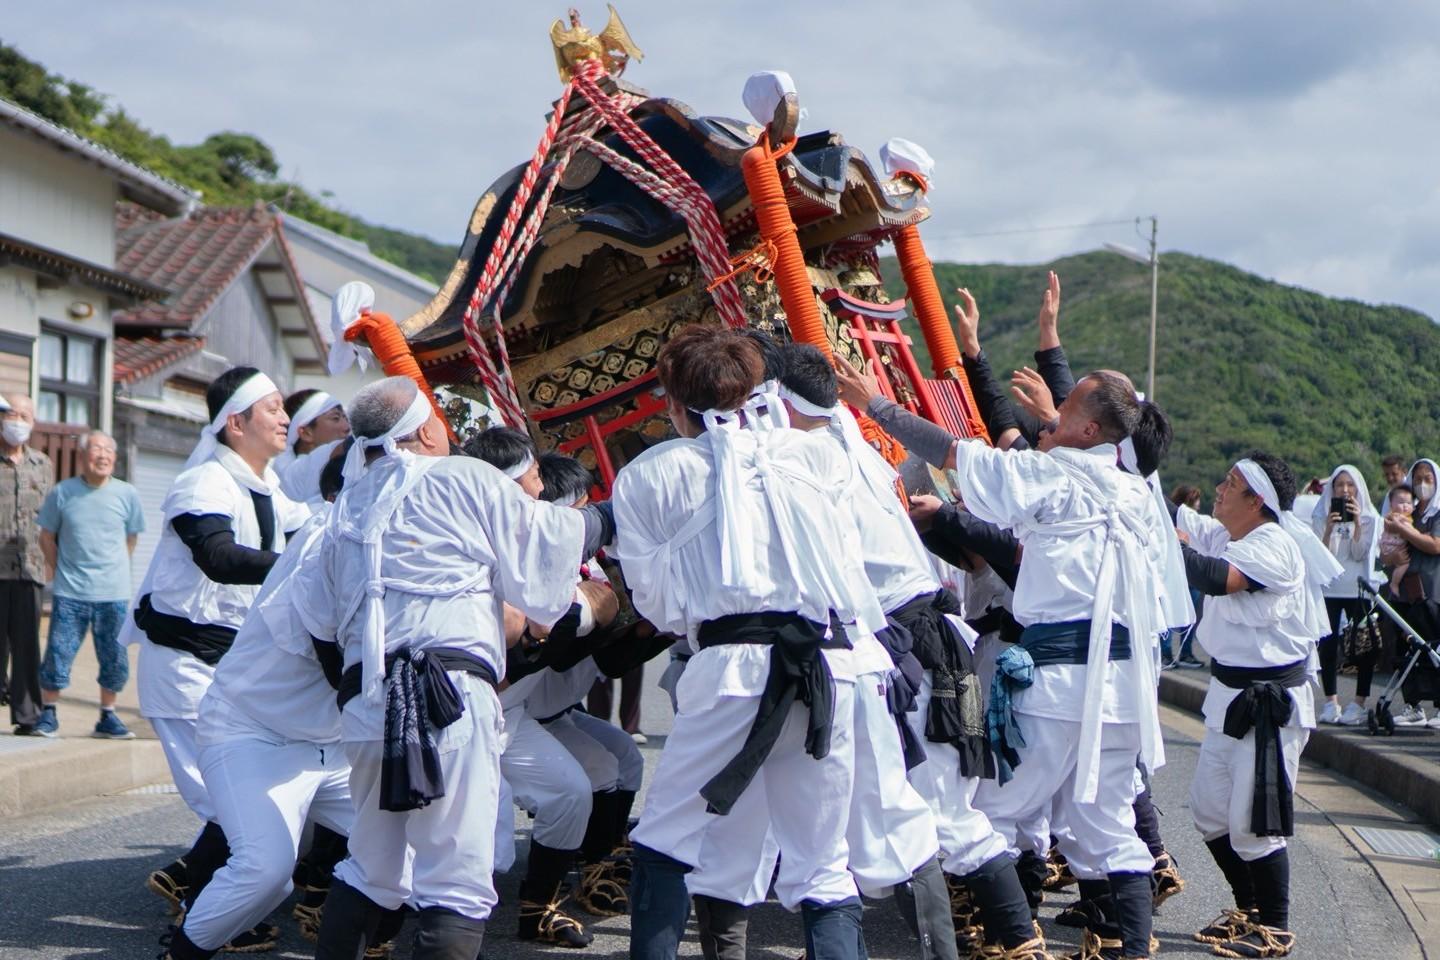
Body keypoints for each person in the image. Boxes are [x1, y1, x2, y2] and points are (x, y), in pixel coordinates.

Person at [850, 359, 1172, 960]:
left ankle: (1011, 943)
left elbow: (954, 454)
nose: (1055, 408)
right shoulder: (1134, 492)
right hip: (1127, 687)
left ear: (1089, 431)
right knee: (1107, 823)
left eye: (1068, 404)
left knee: (993, 811)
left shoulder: (1055, 478)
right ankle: (1133, 950)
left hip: (1061, 680)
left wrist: (878, 406)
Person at [301, 379, 604, 960]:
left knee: (370, 867)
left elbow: (320, 620)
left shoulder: (348, 503)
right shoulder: (464, 477)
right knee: (456, 880)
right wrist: (615, 513)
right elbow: (547, 565)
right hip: (447, 699)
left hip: (367, 702)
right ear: (424, 430)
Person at [612, 325, 882, 960]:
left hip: (728, 669)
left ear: (675, 404)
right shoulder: (818, 454)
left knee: (665, 840)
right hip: (824, 666)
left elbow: (655, 602)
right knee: (822, 866)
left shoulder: (651, 473)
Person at [779, 343, 1042, 960]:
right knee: (928, 809)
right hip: (931, 639)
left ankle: (1021, 943)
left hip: (915, 640)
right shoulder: (852, 442)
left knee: (945, 814)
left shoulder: (813, 457)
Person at [160, 441, 399, 960]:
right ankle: (179, 953)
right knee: (266, 872)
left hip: (328, 745)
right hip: (253, 732)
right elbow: (337, 654)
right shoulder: (329, 536)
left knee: (410, 856)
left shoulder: (400, 537)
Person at [125, 366, 307, 952]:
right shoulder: (203, 483)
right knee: (230, 802)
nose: (285, 419)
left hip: (234, 670)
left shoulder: (272, 486)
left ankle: (200, 893)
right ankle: (198, 915)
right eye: (274, 407)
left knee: (243, 802)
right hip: (184, 665)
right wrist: (297, 565)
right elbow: (220, 558)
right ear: (236, 423)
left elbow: (318, 534)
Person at [466, 428, 618, 946]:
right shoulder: (478, 537)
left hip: (505, 714)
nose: (539, 481)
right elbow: (541, 628)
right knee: (446, 838)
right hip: (450, 708)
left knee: (571, 790)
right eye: (532, 473)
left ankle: (537, 910)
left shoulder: (527, 536)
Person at [1175, 454, 1330, 958]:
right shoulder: (1231, 535)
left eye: (1231, 483)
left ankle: (1277, 928)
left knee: (1254, 821)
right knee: (1208, 810)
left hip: (1271, 704)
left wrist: (1160, 548)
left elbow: (1221, 579)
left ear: (1256, 500)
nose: (1219, 488)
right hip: (1228, 695)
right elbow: (1159, 512)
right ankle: (1251, 912)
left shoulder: (1275, 546)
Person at [34, 430, 144, 739]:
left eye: (109, 450)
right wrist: (60, 569)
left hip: (114, 592)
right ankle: (49, 714)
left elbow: (131, 538)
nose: (103, 456)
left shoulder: (127, 494)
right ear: (83, 456)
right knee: (58, 651)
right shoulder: (62, 492)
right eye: (96, 449)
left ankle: (107, 717)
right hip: (71, 590)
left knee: (115, 656)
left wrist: (114, 568)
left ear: (115, 459)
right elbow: (46, 536)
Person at [1310, 465, 1381, 725]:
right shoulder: (1321, 515)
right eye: (1340, 485)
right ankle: (1331, 702)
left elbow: (1360, 554)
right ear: (1332, 488)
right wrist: (1329, 528)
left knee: (1364, 647)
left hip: (1358, 590)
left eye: (1350, 485)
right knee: (1327, 647)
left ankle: (1359, 702)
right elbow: (1321, 556)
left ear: (1358, 487)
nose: (1345, 490)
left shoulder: (1370, 517)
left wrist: (1359, 523)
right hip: (1330, 589)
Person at [1, 393, 53, 735]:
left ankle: (27, 715)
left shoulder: (43, 464)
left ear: (33, 423)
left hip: (30, 566)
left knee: (27, 645)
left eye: (25, 415)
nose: (17, 420)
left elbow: (52, 518)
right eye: (12, 414)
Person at [1383, 459, 1440, 728]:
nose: (1422, 483)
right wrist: (1390, 556)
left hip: (1435, 590)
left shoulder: (1438, 513)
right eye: (1417, 478)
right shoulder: (1410, 512)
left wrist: (1405, 530)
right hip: (1409, 591)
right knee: (1409, 648)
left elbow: (1434, 545)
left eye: (1428, 478)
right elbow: (1389, 546)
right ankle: (1413, 706)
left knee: (1437, 649)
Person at [275, 389, 350, 505]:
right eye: (336, 418)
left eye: (345, 418)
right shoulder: (293, 473)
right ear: (306, 433)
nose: (347, 427)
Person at [1162, 485, 1206, 669]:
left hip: (1190, 575)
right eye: (1195, 499)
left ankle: (1183, 653)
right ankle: (1167, 655)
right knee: (1170, 616)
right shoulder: (1172, 518)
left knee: (1189, 617)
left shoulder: (1193, 520)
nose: (1198, 504)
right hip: (1176, 573)